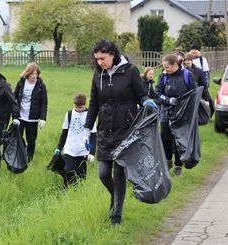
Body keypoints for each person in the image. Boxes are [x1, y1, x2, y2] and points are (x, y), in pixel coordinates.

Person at [84, 40, 157, 225]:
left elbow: (141, 94)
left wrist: (147, 100)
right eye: (97, 59)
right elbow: (94, 103)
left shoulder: (130, 71)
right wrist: (87, 128)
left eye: (103, 58)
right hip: (105, 130)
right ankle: (116, 198)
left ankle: (117, 213)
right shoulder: (98, 74)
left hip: (125, 130)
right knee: (103, 173)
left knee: (119, 174)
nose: (100, 62)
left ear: (112, 54)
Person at [155, 54, 196, 177]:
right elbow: (157, 93)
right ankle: (168, 161)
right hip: (166, 112)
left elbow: (193, 94)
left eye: (167, 67)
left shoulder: (187, 75)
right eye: (164, 67)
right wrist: (167, 100)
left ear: (175, 65)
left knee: (179, 140)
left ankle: (178, 165)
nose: (165, 69)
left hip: (182, 113)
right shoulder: (163, 76)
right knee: (165, 138)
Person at [55, 93, 97, 186]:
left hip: (83, 150)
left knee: (82, 176)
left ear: (85, 105)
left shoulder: (90, 115)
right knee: (68, 170)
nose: (78, 109)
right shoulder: (69, 114)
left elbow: (93, 135)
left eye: (80, 107)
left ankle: (78, 191)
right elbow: (64, 132)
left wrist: (92, 153)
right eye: (76, 107)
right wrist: (59, 147)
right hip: (70, 148)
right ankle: (69, 188)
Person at [14, 62, 48, 162]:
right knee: (18, 137)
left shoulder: (41, 85)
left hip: (32, 118)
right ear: (27, 74)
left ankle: (28, 160)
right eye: (32, 74)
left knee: (31, 140)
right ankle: (22, 153)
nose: (34, 76)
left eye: (36, 74)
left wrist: (43, 118)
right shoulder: (21, 82)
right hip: (20, 116)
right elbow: (14, 97)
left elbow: (44, 103)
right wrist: (13, 113)